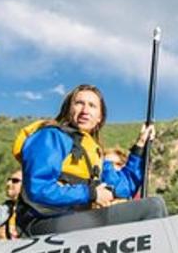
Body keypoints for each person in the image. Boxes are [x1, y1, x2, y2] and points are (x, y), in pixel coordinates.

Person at [14, 84, 166, 236]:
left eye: (92, 106)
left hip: (75, 220)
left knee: (153, 204)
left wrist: (140, 146)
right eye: (79, 103)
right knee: (152, 207)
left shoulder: (95, 152)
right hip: (41, 222)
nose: (85, 111)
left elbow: (123, 187)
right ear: (68, 109)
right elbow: (39, 189)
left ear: (99, 117)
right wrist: (91, 194)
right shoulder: (51, 137)